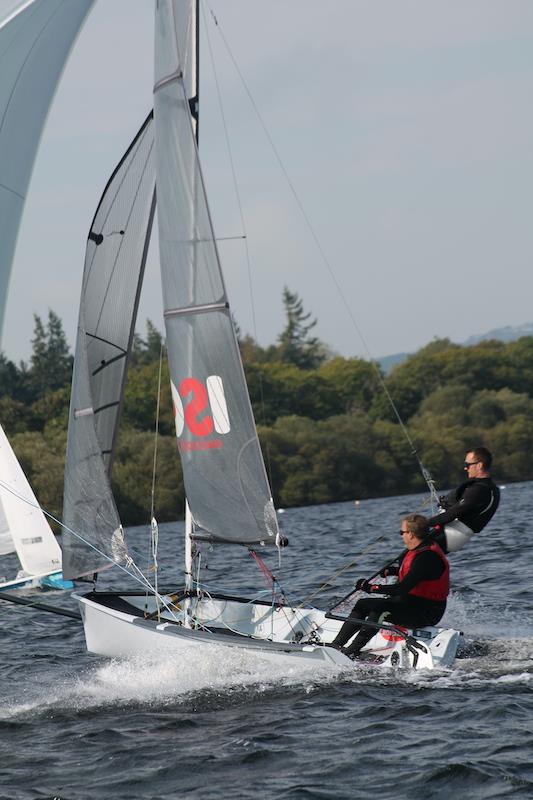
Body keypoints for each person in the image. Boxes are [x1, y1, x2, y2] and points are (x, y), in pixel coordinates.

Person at [330, 514, 449, 659]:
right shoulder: (418, 549)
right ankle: (336, 645)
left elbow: (401, 588)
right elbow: (415, 574)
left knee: (379, 610)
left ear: (411, 534)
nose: (401, 536)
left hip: (426, 612)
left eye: (402, 533)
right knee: (363, 604)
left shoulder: (426, 557)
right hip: (410, 603)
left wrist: (371, 588)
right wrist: (393, 571)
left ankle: (351, 652)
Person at [428, 446, 500, 554]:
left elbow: (453, 514)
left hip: (453, 534)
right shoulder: (489, 487)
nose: (465, 468)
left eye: (467, 465)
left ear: (479, 465)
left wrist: (423, 523)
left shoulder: (480, 490)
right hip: (455, 533)